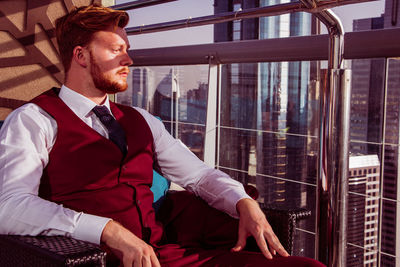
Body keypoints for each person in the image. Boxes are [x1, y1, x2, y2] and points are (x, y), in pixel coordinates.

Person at [0, 4, 325, 267]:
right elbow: (9, 207)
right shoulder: (34, 120)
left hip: (169, 254)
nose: (128, 59)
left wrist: (242, 201)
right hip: (97, 260)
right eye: (116, 49)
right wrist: (106, 230)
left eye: (126, 49)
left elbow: (198, 175)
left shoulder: (140, 120)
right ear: (80, 56)